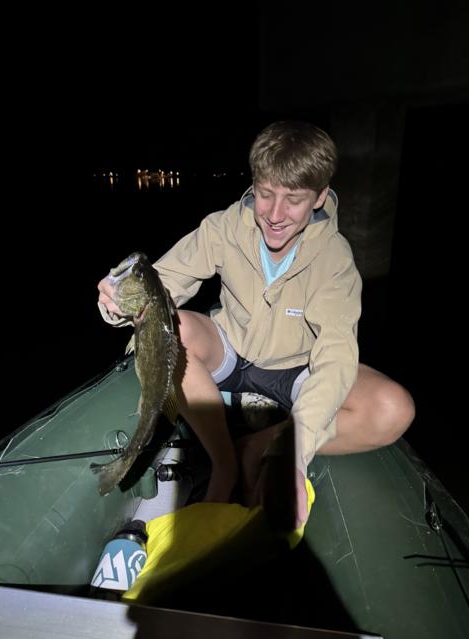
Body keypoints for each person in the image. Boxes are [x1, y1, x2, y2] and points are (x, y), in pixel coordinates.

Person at [98, 120, 415, 528]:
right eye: (265, 194)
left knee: (394, 408)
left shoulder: (335, 261)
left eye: (294, 200)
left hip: (297, 368)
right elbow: (159, 287)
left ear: (320, 196)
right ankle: (224, 462)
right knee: (177, 328)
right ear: (254, 184)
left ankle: (258, 446)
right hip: (232, 352)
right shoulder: (223, 228)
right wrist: (116, 304)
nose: (275, 215)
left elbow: (336, 356)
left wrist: (294, 455)